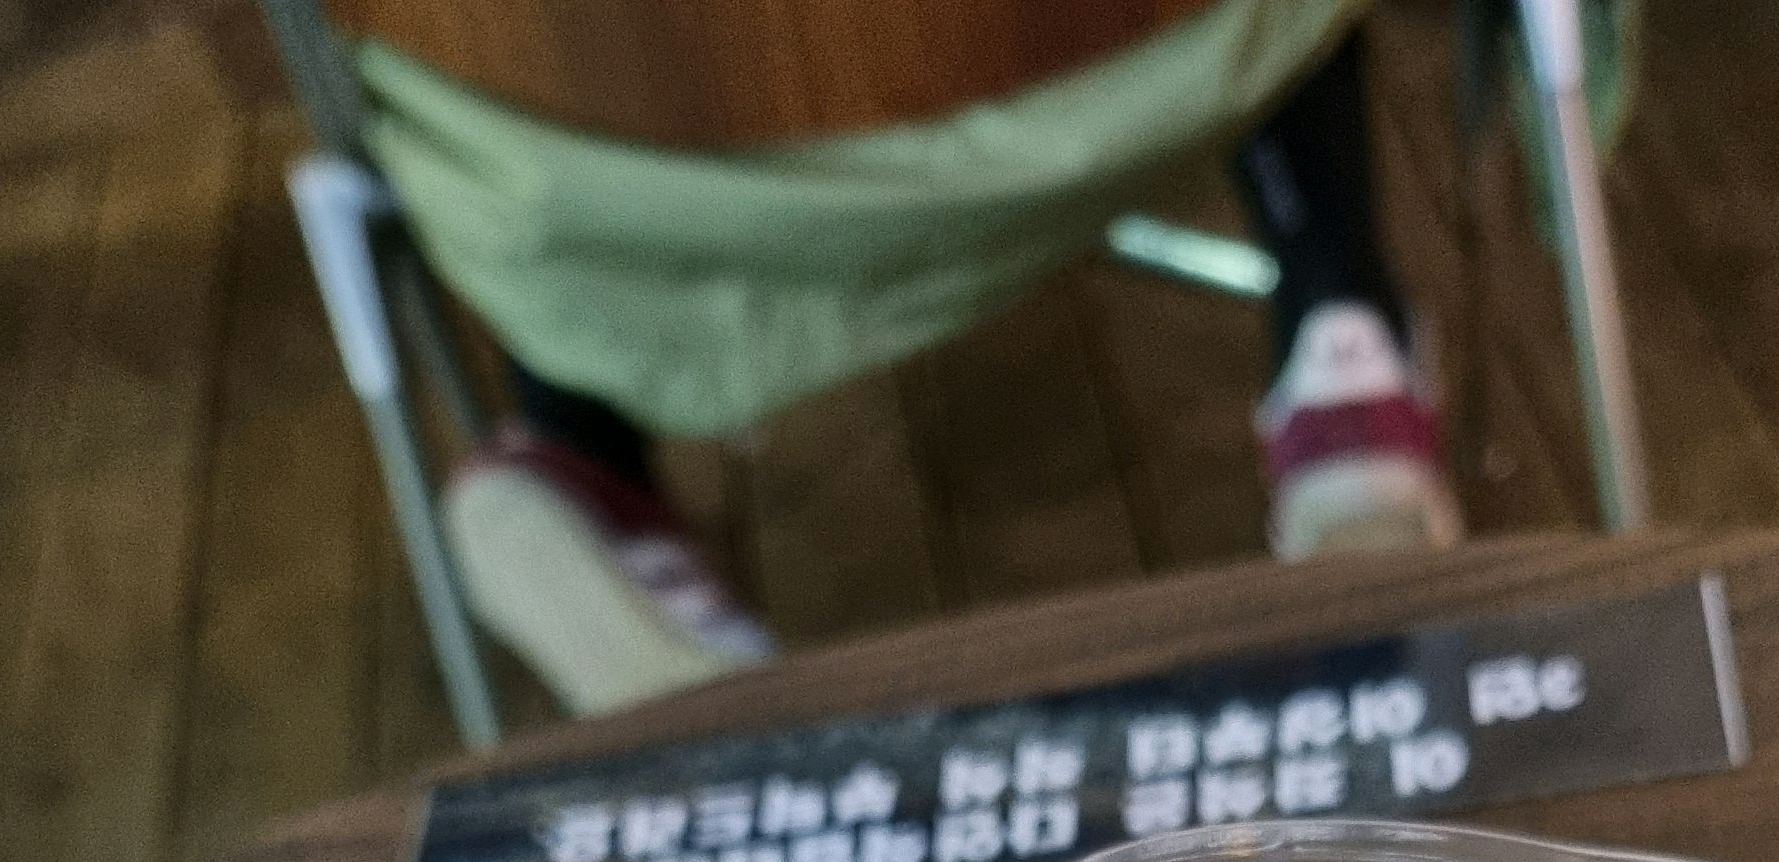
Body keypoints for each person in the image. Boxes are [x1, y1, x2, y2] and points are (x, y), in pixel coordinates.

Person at [353, 4, 1458, 713]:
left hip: (619, 170)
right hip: (1153, 75)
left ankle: (571, 450)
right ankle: (1343, 337)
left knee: (516, 54)